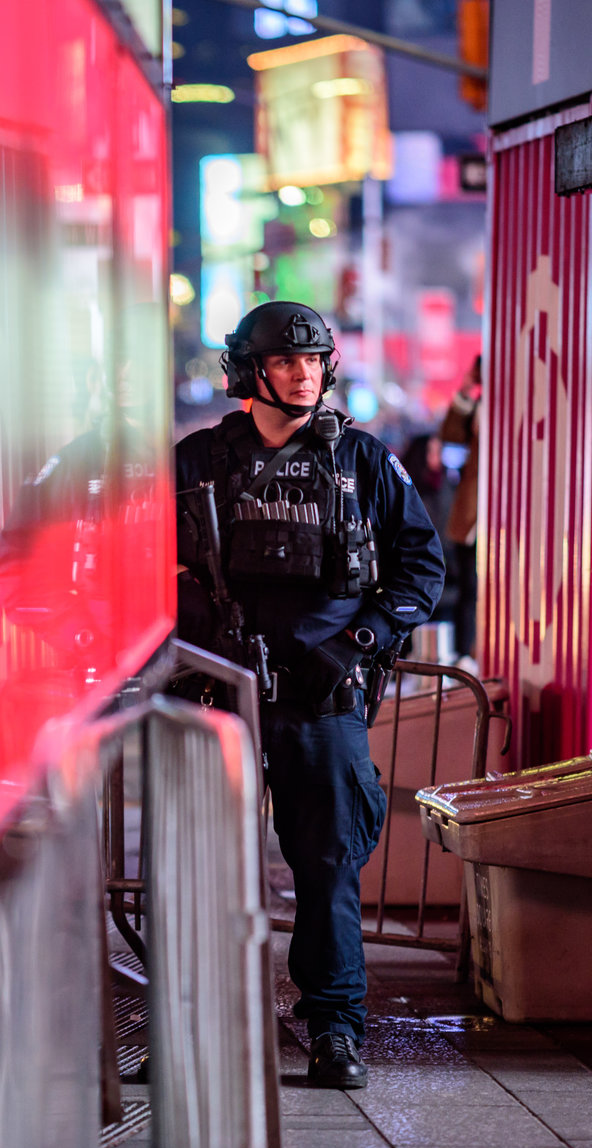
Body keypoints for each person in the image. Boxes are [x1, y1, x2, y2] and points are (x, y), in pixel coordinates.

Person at [175, 301, 444, 1089]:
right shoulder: (197, 461)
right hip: (214, 697)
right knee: (199, 868)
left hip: (321, 703)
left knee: (327, 870)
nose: (305, 373)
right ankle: (195, 1027)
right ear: (250, 372)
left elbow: (420, 572)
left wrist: (354, 646)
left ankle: (334, 1030)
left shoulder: (362, 460)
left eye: (315, 360)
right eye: (287, 361)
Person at [439, 354, 481, 671]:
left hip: (506, 513)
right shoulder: (478, 408)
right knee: (470, 586)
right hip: (473, 511)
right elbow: (451, 433)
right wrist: (466, 391)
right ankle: (465, 653)